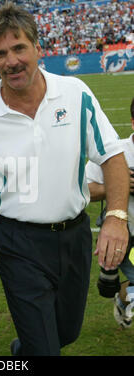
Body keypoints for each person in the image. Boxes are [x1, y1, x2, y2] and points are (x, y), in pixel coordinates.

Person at [0, 3, 129, 356]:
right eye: (0, 53)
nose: (11, 61)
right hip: (18, 242)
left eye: (19, 48)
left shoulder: (76, 93)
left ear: (37, 48)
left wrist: (116, 216)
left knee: (65, 333)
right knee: (46, 349)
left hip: (75, 235)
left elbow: (111, 154)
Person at [85, 97, 134, 328]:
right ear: (133, 123)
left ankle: (125, 298)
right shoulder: (116, 152)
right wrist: (117, 186)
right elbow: (84, 189)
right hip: (128, 238)